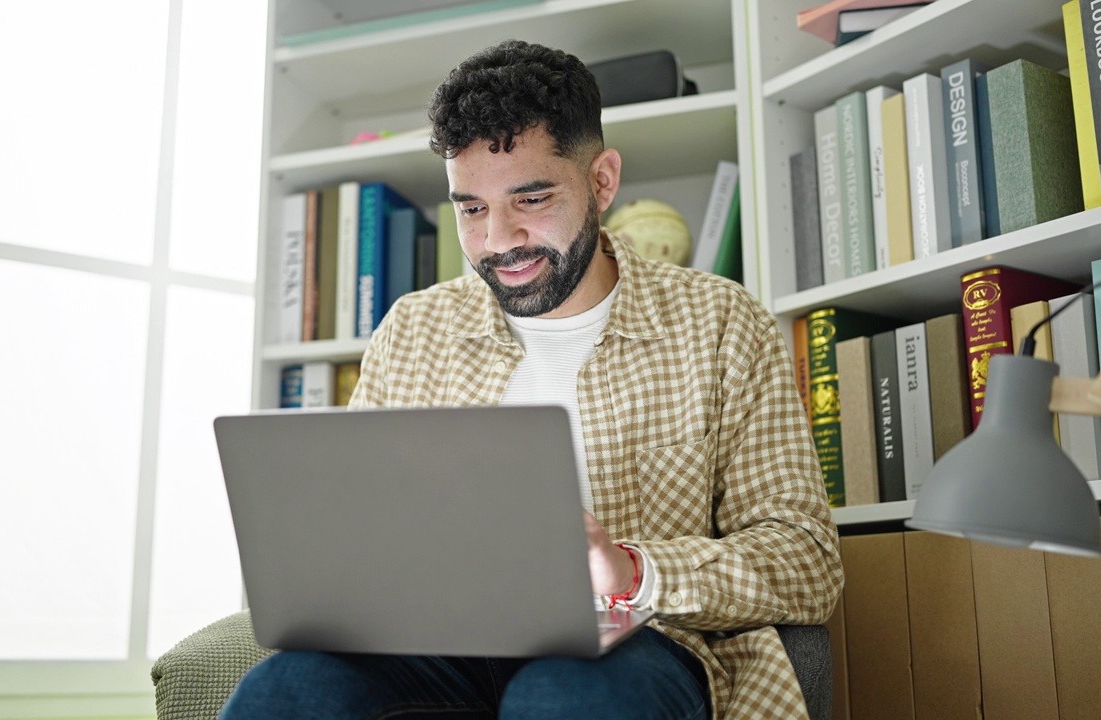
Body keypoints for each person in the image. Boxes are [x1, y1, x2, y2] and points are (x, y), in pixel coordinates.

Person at [220, 39, 843, 720]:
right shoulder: (412, 329)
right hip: (434, 643)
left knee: (564, 694)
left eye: (532, 197)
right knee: (284, 689)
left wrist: (635, 569)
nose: (499, 240)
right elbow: (353, 532)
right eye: (472, 208)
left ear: (602, 181)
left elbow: (806, 560)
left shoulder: (723, 323)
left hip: (636, 644)